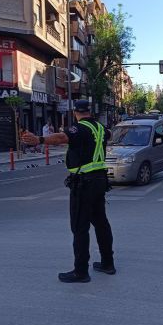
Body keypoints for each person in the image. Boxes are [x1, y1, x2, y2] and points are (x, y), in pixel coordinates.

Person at [23, 100, 115, 283]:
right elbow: (110, 135)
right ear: (90, 111)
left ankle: (81, 271)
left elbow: (61, 138)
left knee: (80, 227)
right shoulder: (101, 128)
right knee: (101, 223)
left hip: (84, 183)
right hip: (99, 181)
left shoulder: (79, 128)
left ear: (75, 112)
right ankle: (107, 263)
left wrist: (39, 140)